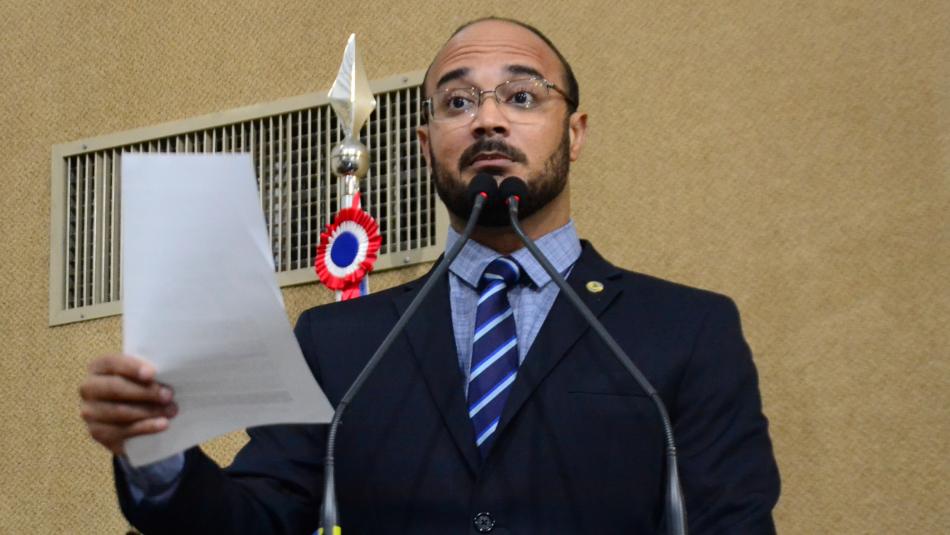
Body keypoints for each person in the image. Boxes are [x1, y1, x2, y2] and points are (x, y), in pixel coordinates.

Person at [79, 17, 780, 534]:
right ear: (425, 144)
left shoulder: (688, 330)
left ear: (575, 132)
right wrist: (157, 453)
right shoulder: (339, 343)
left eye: (523, 97)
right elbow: (258, 519)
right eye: (457, 102)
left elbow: (732, 522)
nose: (488, 120)